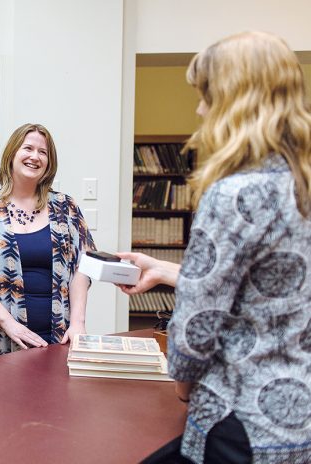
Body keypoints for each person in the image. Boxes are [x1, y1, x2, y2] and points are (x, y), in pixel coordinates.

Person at [119, 31, 311, 464]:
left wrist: (183, 381)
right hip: (298, 414)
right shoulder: (301, 184)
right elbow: (271, 287)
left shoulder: (234, 194)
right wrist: (168, 271)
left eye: (206, 96)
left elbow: (198, 322)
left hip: (240, 417)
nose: (200, 109)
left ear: (234, 99)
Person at [0, 123, 96, 363]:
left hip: (57, 333)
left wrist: (78, 323)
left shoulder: (66, 207)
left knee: (56, 398)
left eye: (43, 152)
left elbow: (83, 265)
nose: (35, 156)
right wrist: (10, 324)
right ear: (12, 154)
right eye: (28, 148)